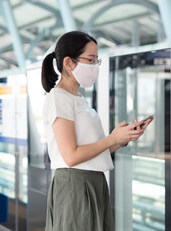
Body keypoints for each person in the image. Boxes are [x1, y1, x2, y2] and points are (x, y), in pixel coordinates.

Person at [41, 31, 153, 231]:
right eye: (91, 60)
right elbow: (71, 157)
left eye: (96, 60)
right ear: (69, 62)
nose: (95, 66)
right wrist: (112, 138)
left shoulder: (79, 99)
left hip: (93, 183)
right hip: (75, 186)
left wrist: (121, 139)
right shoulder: (59, 98)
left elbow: (91, 152)